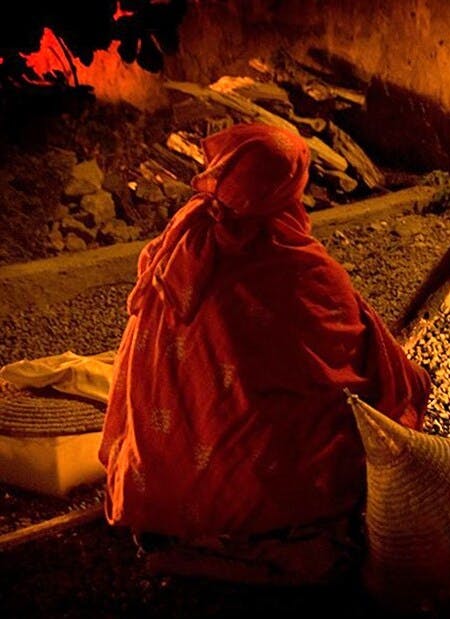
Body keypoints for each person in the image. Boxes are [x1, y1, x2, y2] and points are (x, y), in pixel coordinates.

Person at [98, 122, 431, 582]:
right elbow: (346, 349)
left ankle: (182, 509)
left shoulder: (186, 237)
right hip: (258, 473)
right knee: (361, 415)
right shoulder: (296, 264)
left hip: (160, 465)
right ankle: (259, 518)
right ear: (284, 186)